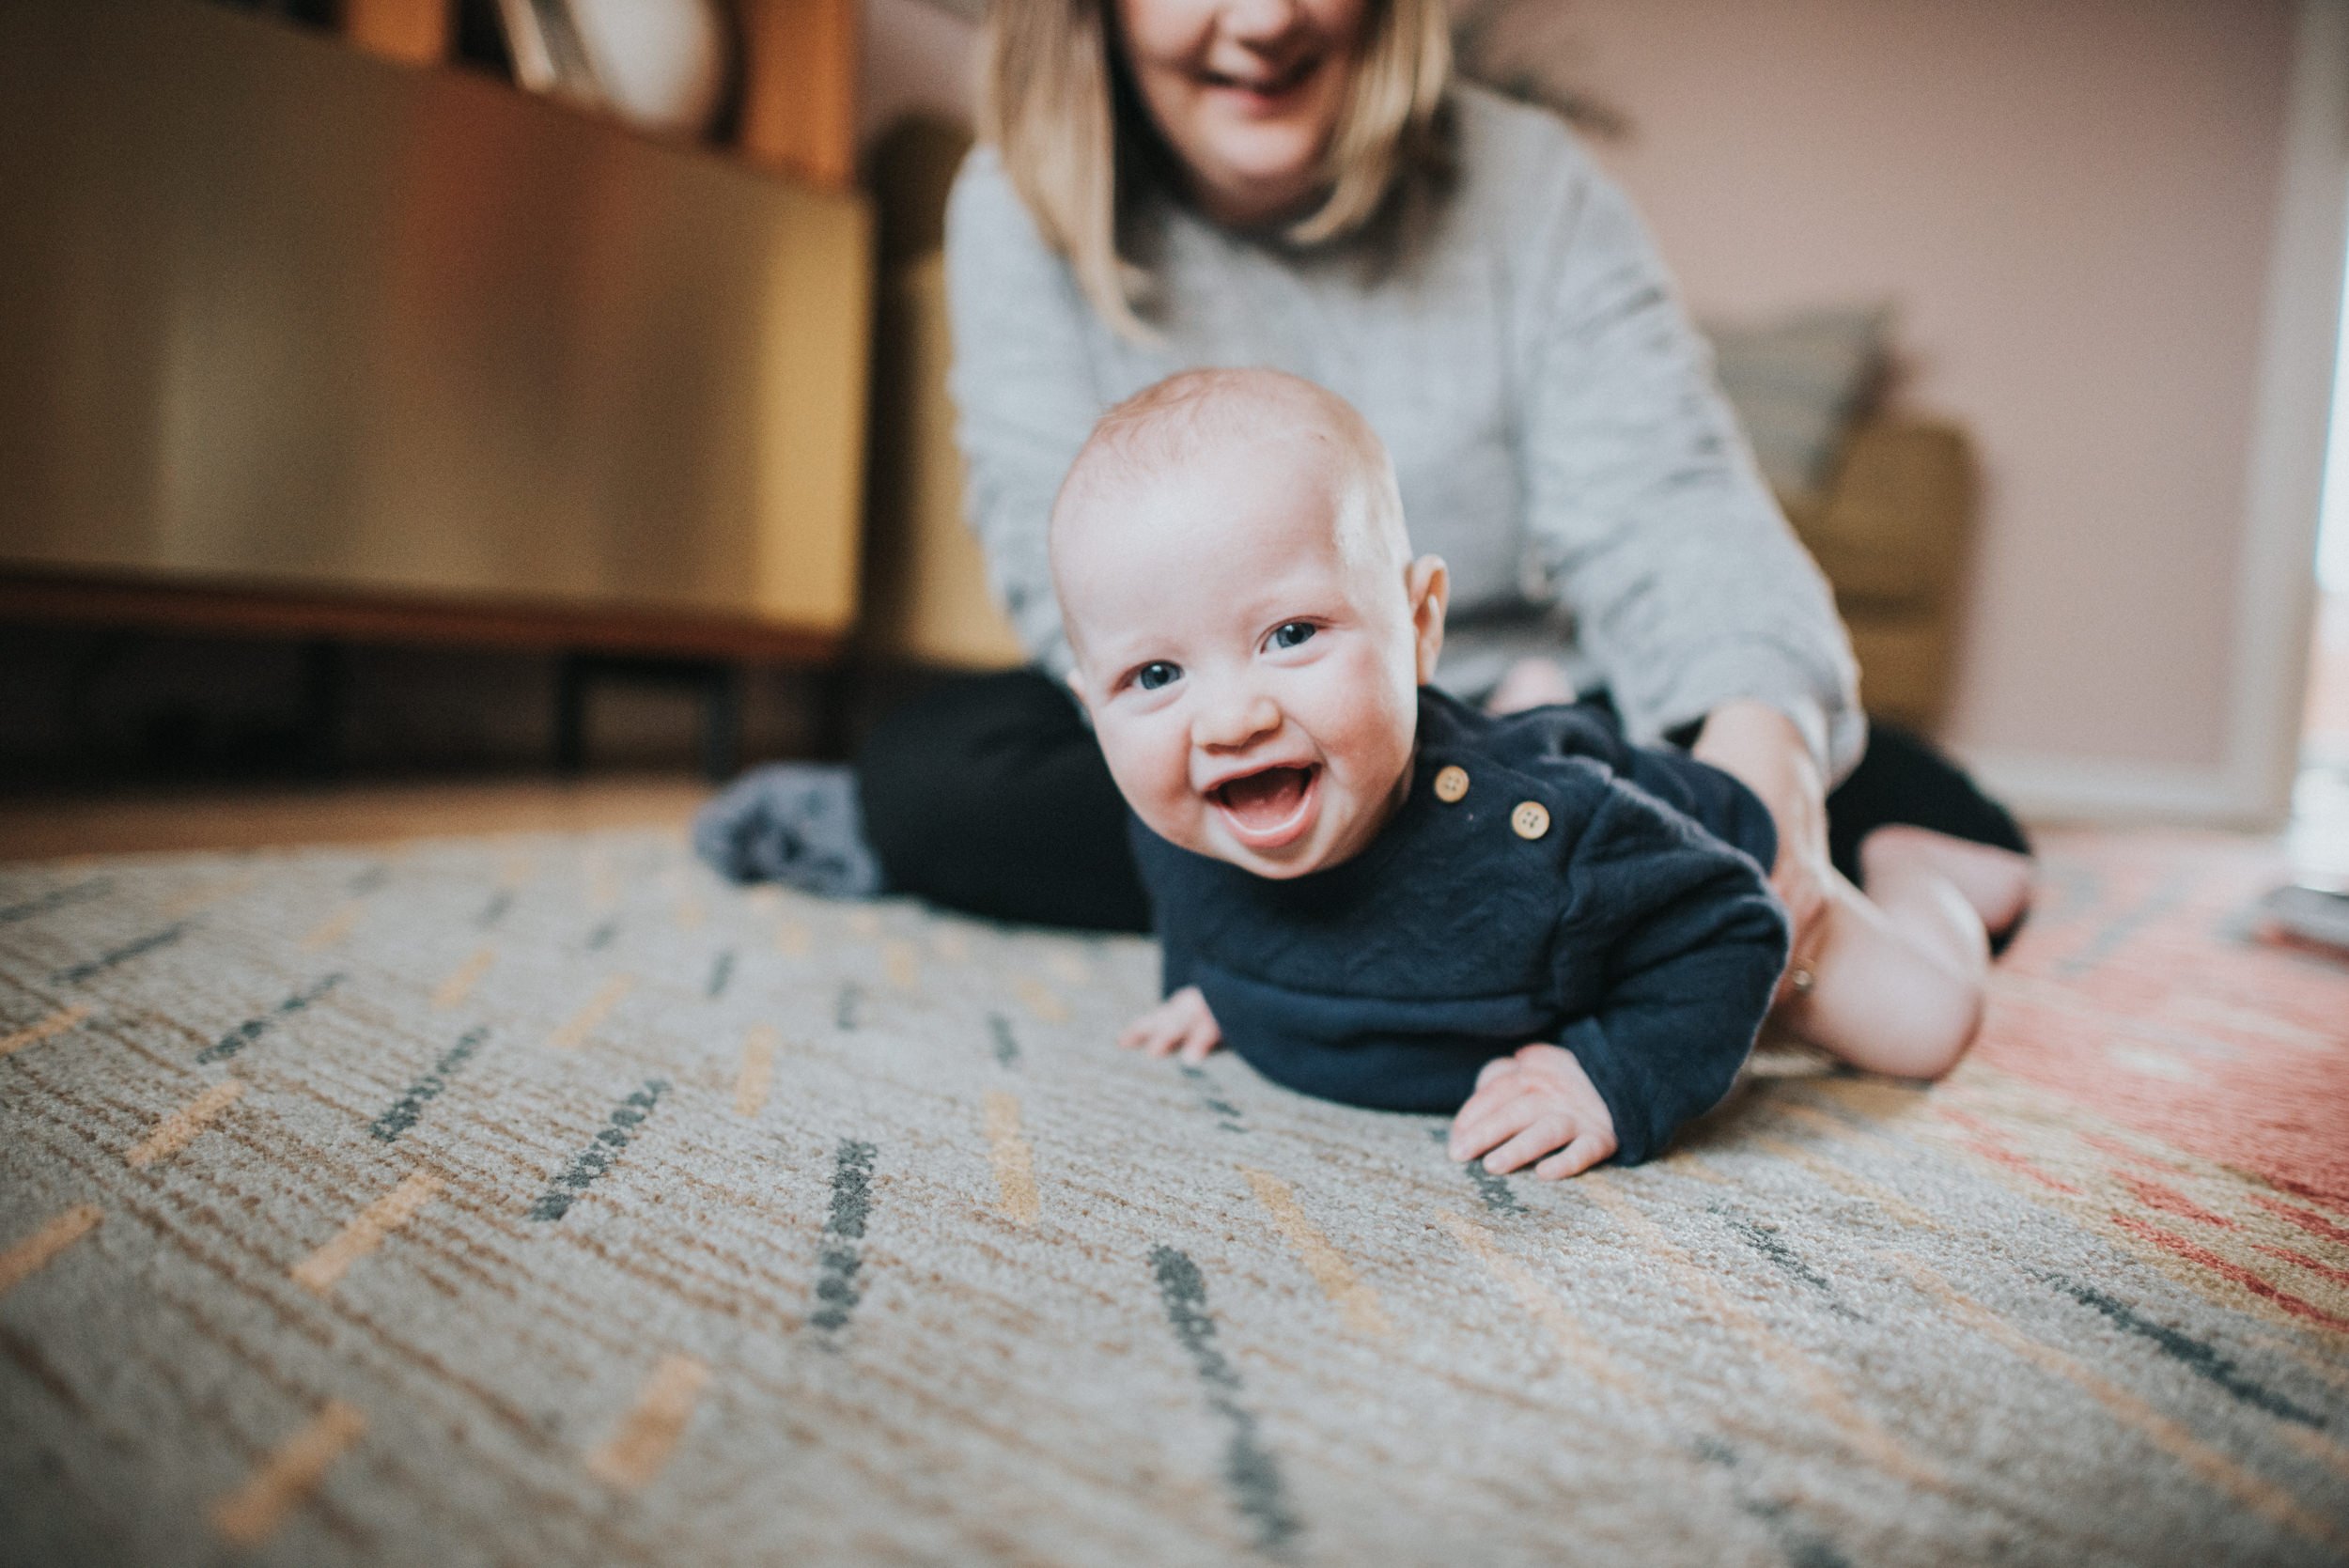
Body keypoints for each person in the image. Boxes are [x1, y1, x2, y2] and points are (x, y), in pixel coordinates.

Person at [697, 0, 2032, 1028]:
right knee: (934, 777)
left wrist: (1767, 786)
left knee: (1932, 801)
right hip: (1229, 730)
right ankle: (1517, 885)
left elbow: (1672, 505)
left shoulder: (1535, 187)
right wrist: (1259, 726)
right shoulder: (1020, 201)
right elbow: (1060, 583)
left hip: (1538, 707)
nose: (1265, 18)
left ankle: (1468, 873)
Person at [1054, 368, 1991, 1175]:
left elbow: (1733, 925)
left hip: (1702, 851)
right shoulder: (1182, 810)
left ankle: (1920, 872)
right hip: (1532, 837)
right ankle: (1536, 703)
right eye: (1155, 675)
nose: (1227, 719)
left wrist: (1613, 1076)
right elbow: (1189, 893)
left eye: (1290, 634)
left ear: (1420, 626)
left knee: (1924, 1026)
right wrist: (1214, 981)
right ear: (1094, 706)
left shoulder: (1538, 842)